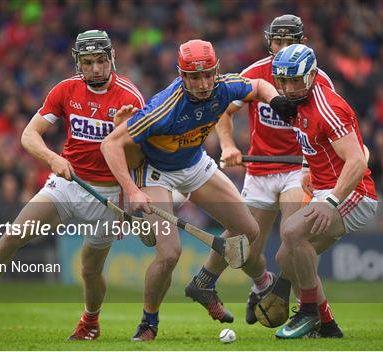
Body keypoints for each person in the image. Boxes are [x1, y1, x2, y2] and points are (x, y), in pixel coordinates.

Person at [0, 30, 145, 341]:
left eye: (101, 60)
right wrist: (52, 159)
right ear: (78, 63)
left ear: (112, 58)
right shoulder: (65, 90)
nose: (96, 69)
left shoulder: (130, 97)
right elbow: (29, 135)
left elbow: (137, 160)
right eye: (88, 62)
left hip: (108, 194)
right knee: (12, 237)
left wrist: (122, 137)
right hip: (67, 184)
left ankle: (90, 322)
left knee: (89, 268)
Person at [101, 39, 291, 341]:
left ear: (216, 71)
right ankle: (148, 323)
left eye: (207, 75)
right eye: (194, 77)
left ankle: (205, 282)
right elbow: (110, 144)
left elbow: (256, 85)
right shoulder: (163, 107)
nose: (203, 84)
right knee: (169, 253)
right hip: (156, 172)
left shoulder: (223, 87)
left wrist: (277, 102)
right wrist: (131, 190)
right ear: (181, 75)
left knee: (249, 230)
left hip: (194, 163)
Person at [185, 14, 342, 338]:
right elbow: (224, 111)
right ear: (269, 41)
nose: (282, 47)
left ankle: (313, 315)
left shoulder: (318, 78)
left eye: (290, 41)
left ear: (303, 42)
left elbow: (328, 126)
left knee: (292, 238)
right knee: (246, 253)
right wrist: (228, 145)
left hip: (298, 170)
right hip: (259, 171)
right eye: (278, 41)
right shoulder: (254, 73)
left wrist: (315, 165)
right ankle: (263, 285)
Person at [271, 43, 378, 338]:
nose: (289, 88)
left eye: (296, 80)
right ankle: (328, 325)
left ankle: (307, 313)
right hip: (324, 190)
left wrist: (330, 201)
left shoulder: (327, 107)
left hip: (353, 193)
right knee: (285, 258)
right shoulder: (299, 102)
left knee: (292, 232)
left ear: (312, 75)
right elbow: (312, 141)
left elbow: (356, 161)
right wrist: (307, 169)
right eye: (284, 81)